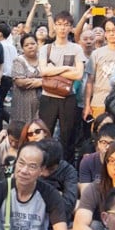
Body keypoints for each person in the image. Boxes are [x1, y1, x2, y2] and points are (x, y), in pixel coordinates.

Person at [38, 10, 86, 162]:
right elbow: (43, 71)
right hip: (48, 97)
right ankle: (44, 164)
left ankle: (66, 167)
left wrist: (54, 71)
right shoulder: (46, 48)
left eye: (66, 25)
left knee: (68, 136)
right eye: (59, 24)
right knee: (45, 134)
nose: (62, 28)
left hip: (68, 97)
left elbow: (79, 75)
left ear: (71, 27)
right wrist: (66, 69)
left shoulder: (76, 48)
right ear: (55, 27)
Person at [83, 17, 115, 120]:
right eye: (108, 30)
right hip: (99, 101)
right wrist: (87, 105)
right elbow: (89, 81)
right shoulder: (96, 54)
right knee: (98, 132)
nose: (111, 34)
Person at [78, 121, 115, 191]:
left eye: (112, 143)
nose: (107, 147)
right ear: (98, 144)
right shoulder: (87, 161)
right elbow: (85, 192)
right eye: (104, 142)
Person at [11, 33, 43, 126]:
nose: (30, 47)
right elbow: (20, 82)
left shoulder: (43, 59)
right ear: (22, 48)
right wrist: (41, 81)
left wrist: (40, 81)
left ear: (37, 44)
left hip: (41, 103)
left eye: (32, 44)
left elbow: (50, 77)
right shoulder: (19, 60)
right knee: (21, 130)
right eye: (26, 45)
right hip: (23, 104)